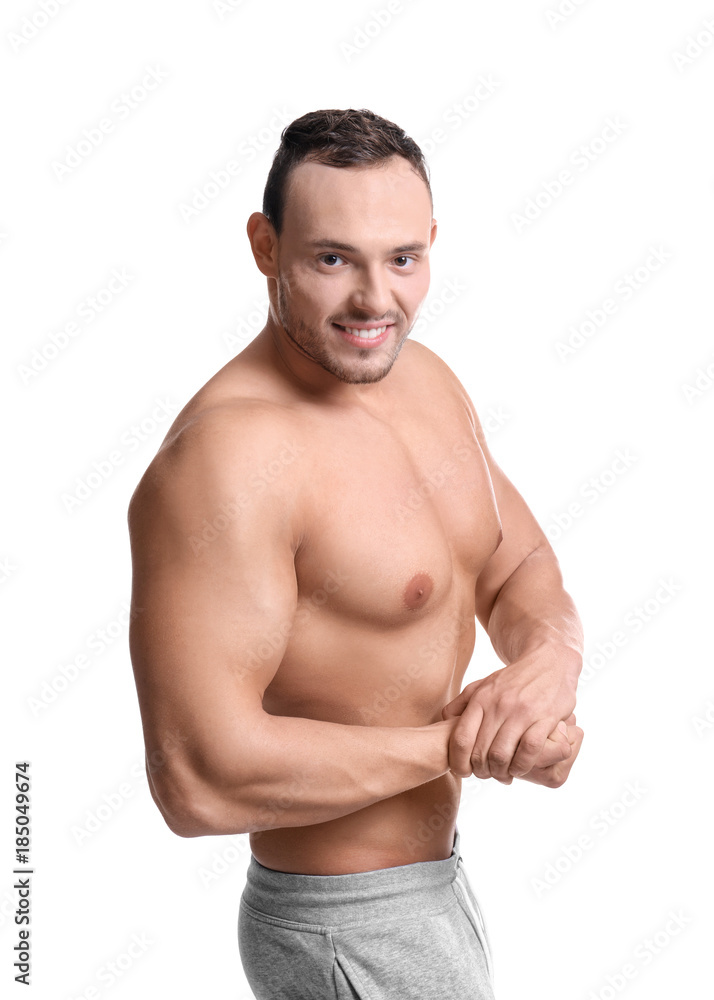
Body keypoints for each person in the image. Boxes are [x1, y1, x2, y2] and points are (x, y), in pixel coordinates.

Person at [127, 107, 584, 999]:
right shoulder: (229, 460)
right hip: (343, 921)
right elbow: (197, 779)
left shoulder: (427, 380)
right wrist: (472, 744)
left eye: (403, 259)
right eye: (333, 259)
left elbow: (516, 564)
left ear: (432, 243)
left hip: (437, 888)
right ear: (266, 246)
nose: (377, 301)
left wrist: (549, 664)